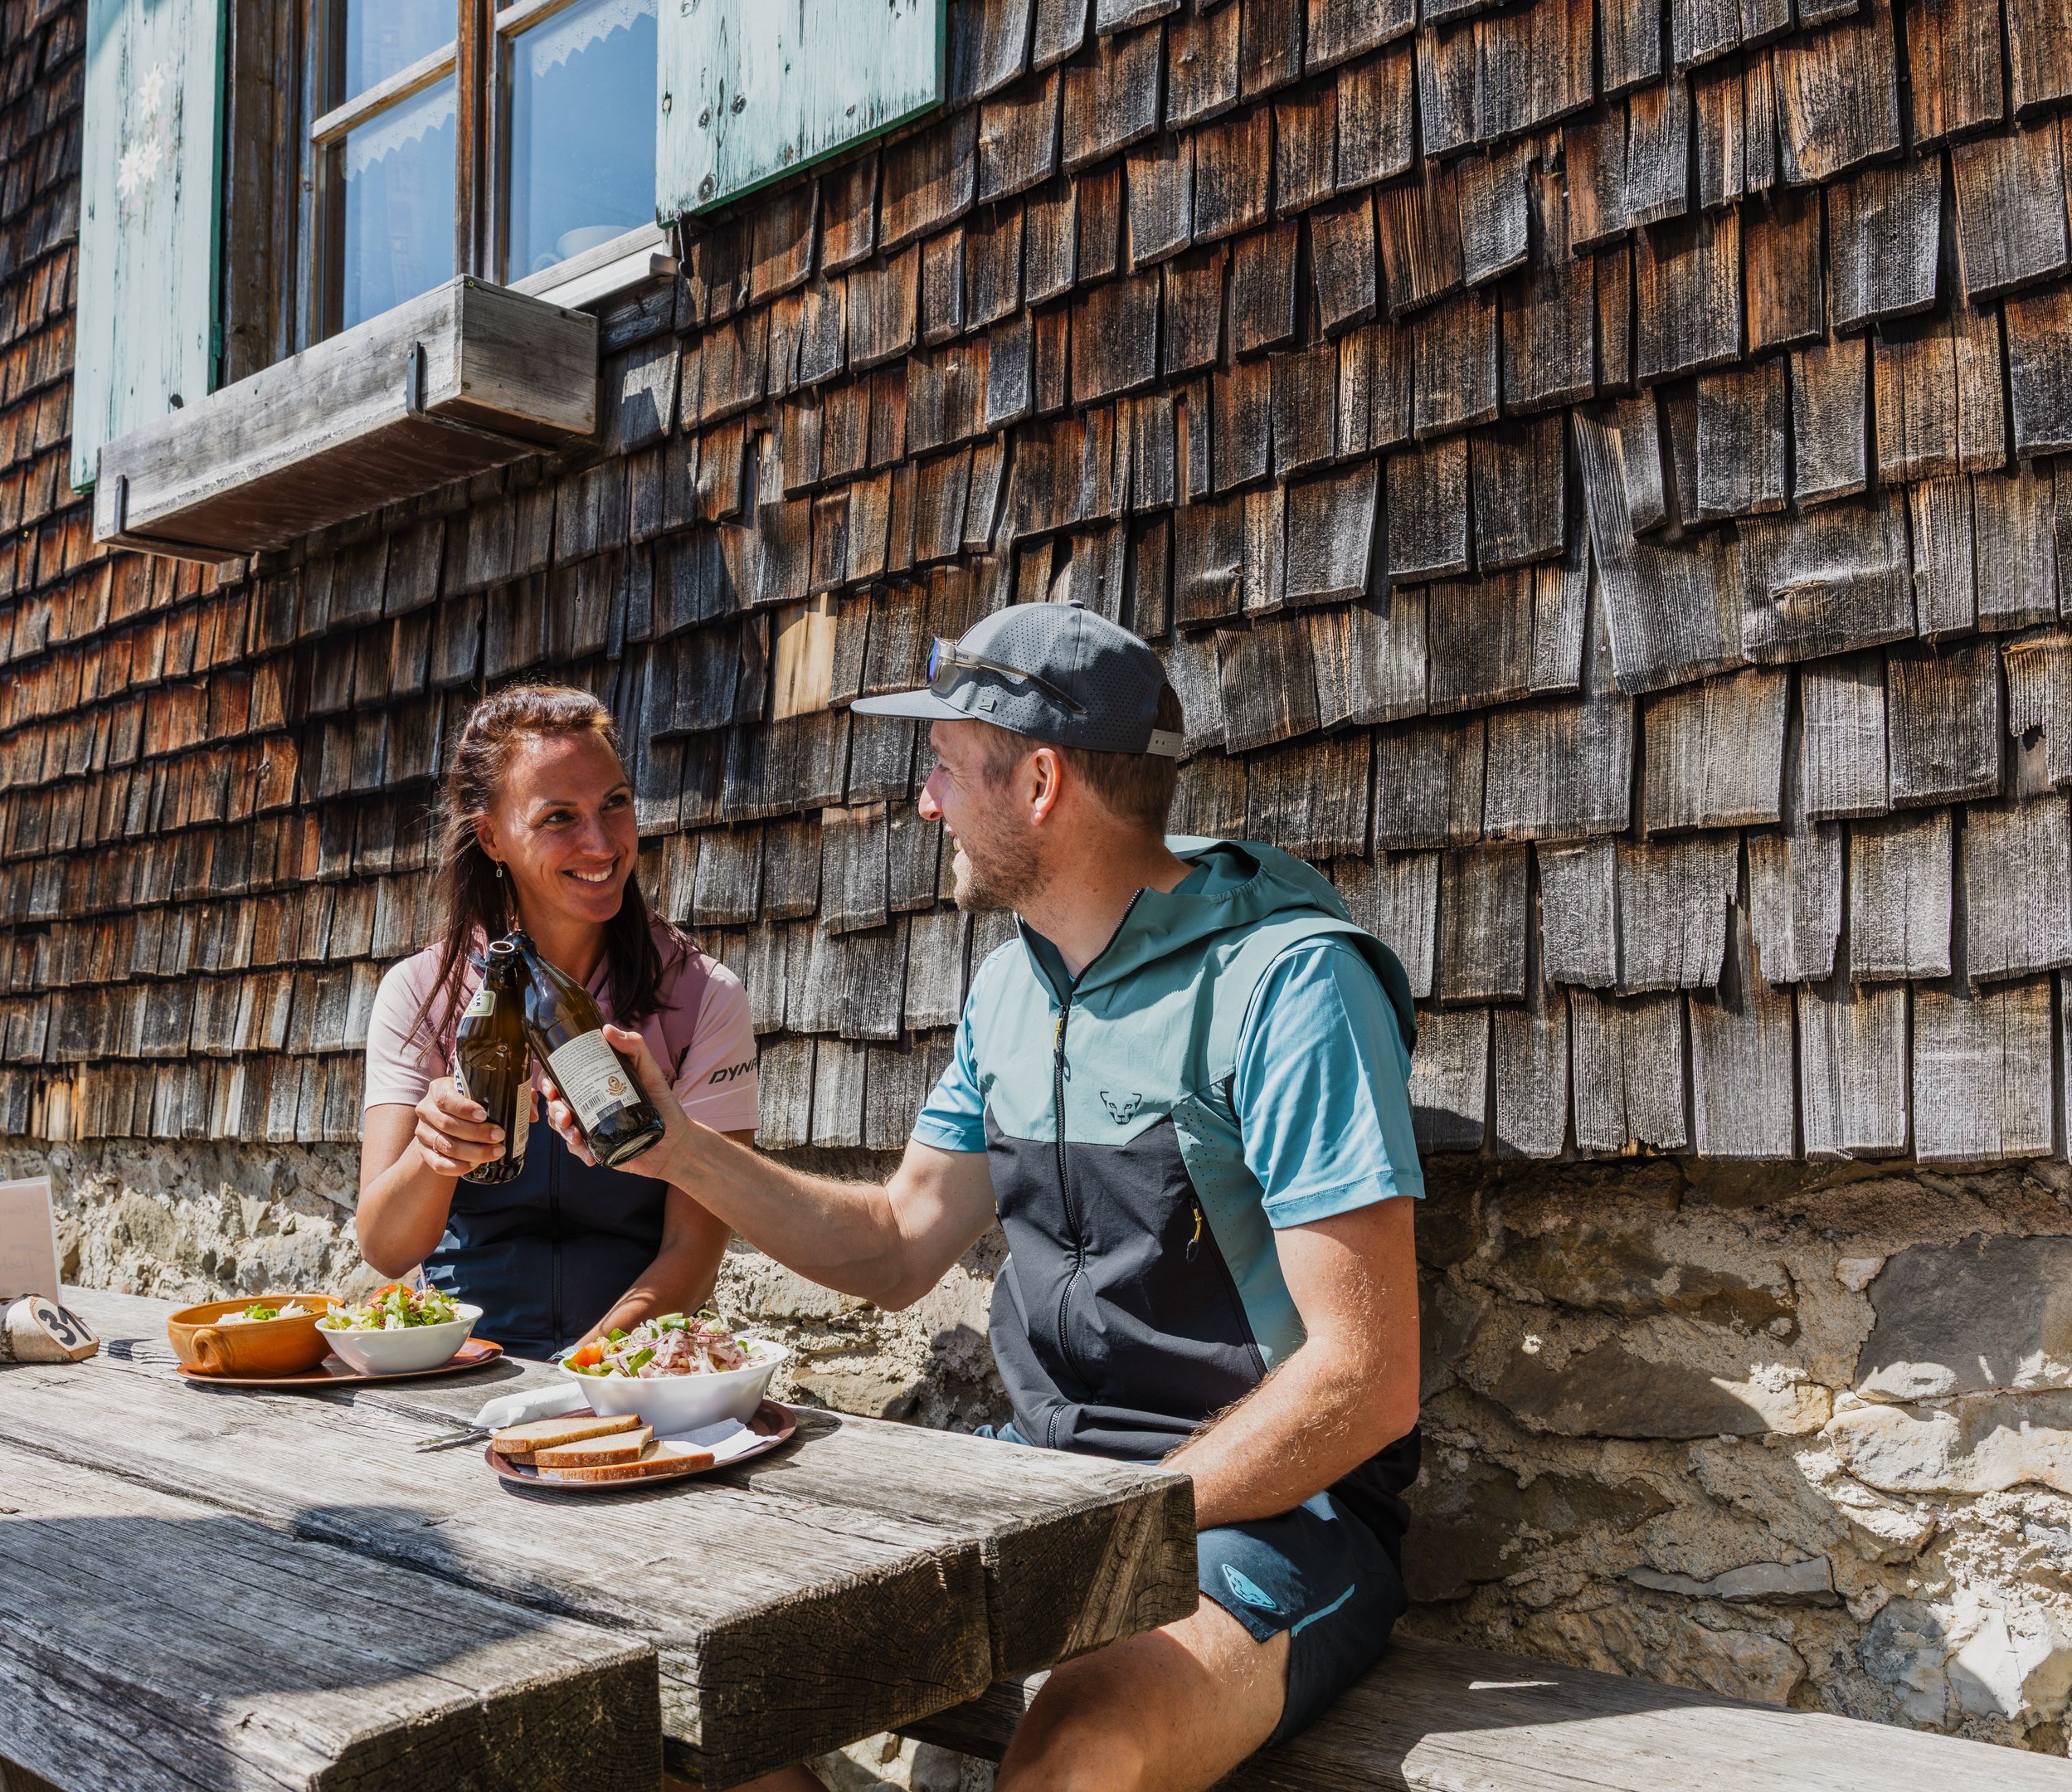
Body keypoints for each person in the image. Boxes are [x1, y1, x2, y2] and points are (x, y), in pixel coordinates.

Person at [546, 605, 1427, 1792]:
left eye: (947, 768)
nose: (926, 804)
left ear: (1042, 782)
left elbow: (1362, 1380)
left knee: (1074, 1758)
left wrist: (1095, 1530)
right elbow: (898, 1244)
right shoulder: (1012, 988)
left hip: (1269, 1516)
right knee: (688, 1678)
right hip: (1038, 1482)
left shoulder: (1291, 985)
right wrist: (679, 1152)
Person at [357, 684, 763, 1365]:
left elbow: (692, 1253)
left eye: (616, 803)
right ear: (491, 837)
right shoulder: (422, 994)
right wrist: (433, 1155)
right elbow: (386, 1249)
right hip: (459, 1366)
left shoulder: (703, 997)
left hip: (628, 1370)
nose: (601, 842)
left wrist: (584, 1371)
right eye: (558, 818)